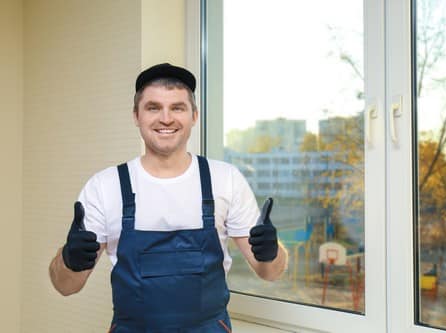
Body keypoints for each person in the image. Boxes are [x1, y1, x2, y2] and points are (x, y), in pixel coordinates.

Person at [49, 63, 288, 332]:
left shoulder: (226, 179)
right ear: (136, 116)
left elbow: (270, 272)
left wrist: (272, 251)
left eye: (177, 107)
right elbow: (65, 285)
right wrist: (69, 259)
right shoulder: (105, 187)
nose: (166, 118)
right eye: (153, 108)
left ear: (194, 115)